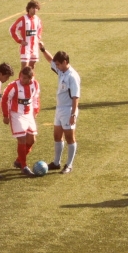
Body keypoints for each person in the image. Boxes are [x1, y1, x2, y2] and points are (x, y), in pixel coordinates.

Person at [38, 43, 81, 174]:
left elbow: (76, 97)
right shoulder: (61, 70)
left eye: (58, 64)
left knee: (70, 138)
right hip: (59, 109)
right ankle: (56, 163)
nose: (56, 66)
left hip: (68, 109)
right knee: (57, 136)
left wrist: (73, 114)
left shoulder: (72, 76)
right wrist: (43, 49)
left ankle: (69, 165)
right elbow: (50, 60)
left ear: (65, 62)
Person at [2, 66, 40, 176]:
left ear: (30, 78)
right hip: (16, 114)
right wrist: (5, 115)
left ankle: (19, 160)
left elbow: (36, 98)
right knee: (22, 139)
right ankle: (24, 166)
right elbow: (5, 99)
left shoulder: (35, 84)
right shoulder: (13, 86)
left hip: (29, 114)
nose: (21, 79)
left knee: (31, 140)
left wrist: (35, 110)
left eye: (24, 78)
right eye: (21, 77)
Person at [9, 0, 43, 70]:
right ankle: (21, 78)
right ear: (29, 8)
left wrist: (38, 38)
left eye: (36, 8)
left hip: (35, 47)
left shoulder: (37, 19)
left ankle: (31, 78)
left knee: (32, 67)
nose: (35, 10)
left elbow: (40, 29)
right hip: (26, 47)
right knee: (24, 68)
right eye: (33, 8)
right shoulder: (23, 19)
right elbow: (12, 29)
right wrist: (19, 40)